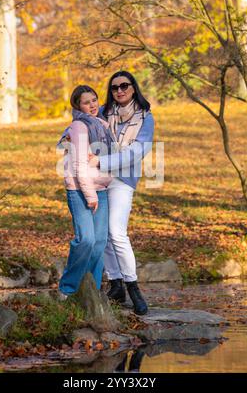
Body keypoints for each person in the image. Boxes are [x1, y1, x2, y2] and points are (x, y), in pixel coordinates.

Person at [89, 71, 154, 315]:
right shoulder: (105, 111)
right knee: (103, 233)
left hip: (122, 179)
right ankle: (115, 284)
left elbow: (137, 153)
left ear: (133, 88)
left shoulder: (145, 118)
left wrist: (102, 161)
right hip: (99, 178)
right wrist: (68, 133)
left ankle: (132, 286)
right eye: (115, 87)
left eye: (124, 85)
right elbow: (83, 117)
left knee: (117, 232)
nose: (120, 90)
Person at [58, 85, 113, 296]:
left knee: (99, 243)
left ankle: (92, 291)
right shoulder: (79, 127)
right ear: (78, 106)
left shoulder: (102, 124)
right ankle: (68, 289)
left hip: (101, 189)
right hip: (80, 191)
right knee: (86, 240)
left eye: (94, 100)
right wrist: (90, 196)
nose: (92, 105)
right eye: (86, 102)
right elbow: (79, 165)